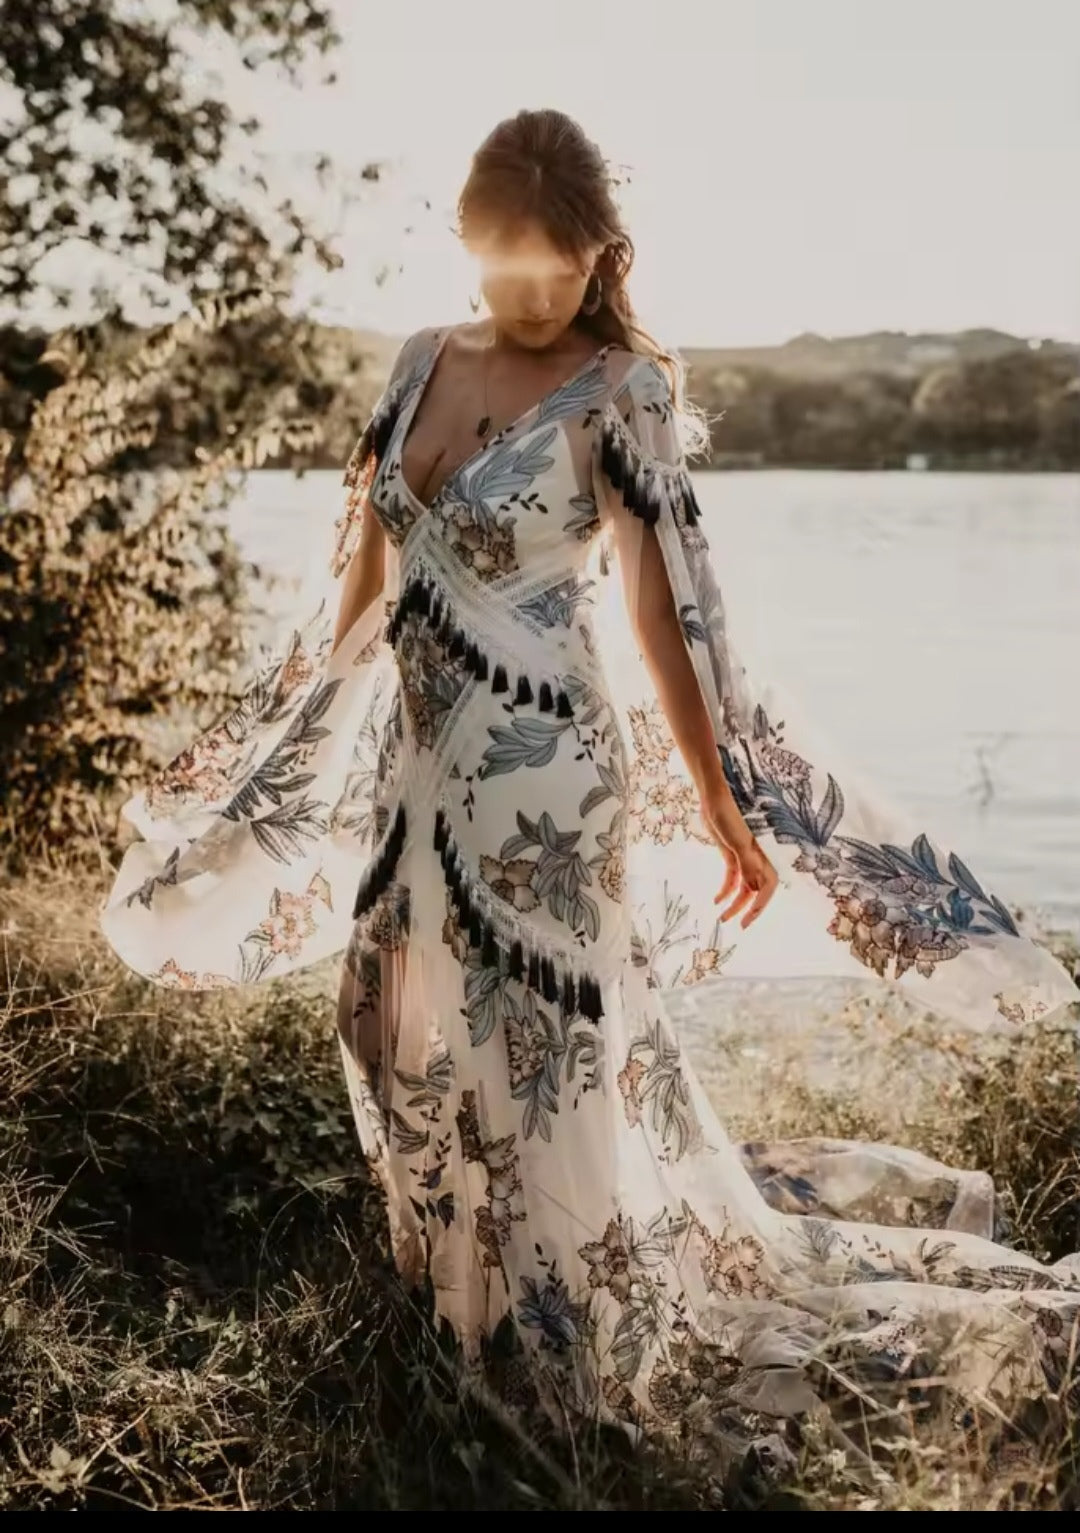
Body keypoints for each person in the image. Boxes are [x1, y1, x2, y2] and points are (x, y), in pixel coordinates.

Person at [101, 109, 1079, 1467]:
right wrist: (264, 772)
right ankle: (454, 1330)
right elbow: (359, 590)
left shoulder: (622, 388)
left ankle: (553, 1368)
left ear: (600, 255)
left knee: (535, 1071)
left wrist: (723, 800)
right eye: (509, 264)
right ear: (467, 243)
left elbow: (663, 605)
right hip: (411, 771)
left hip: (549, 787)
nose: (533, 292)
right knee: (391, 1038)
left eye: (558, 269)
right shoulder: (415, 359)